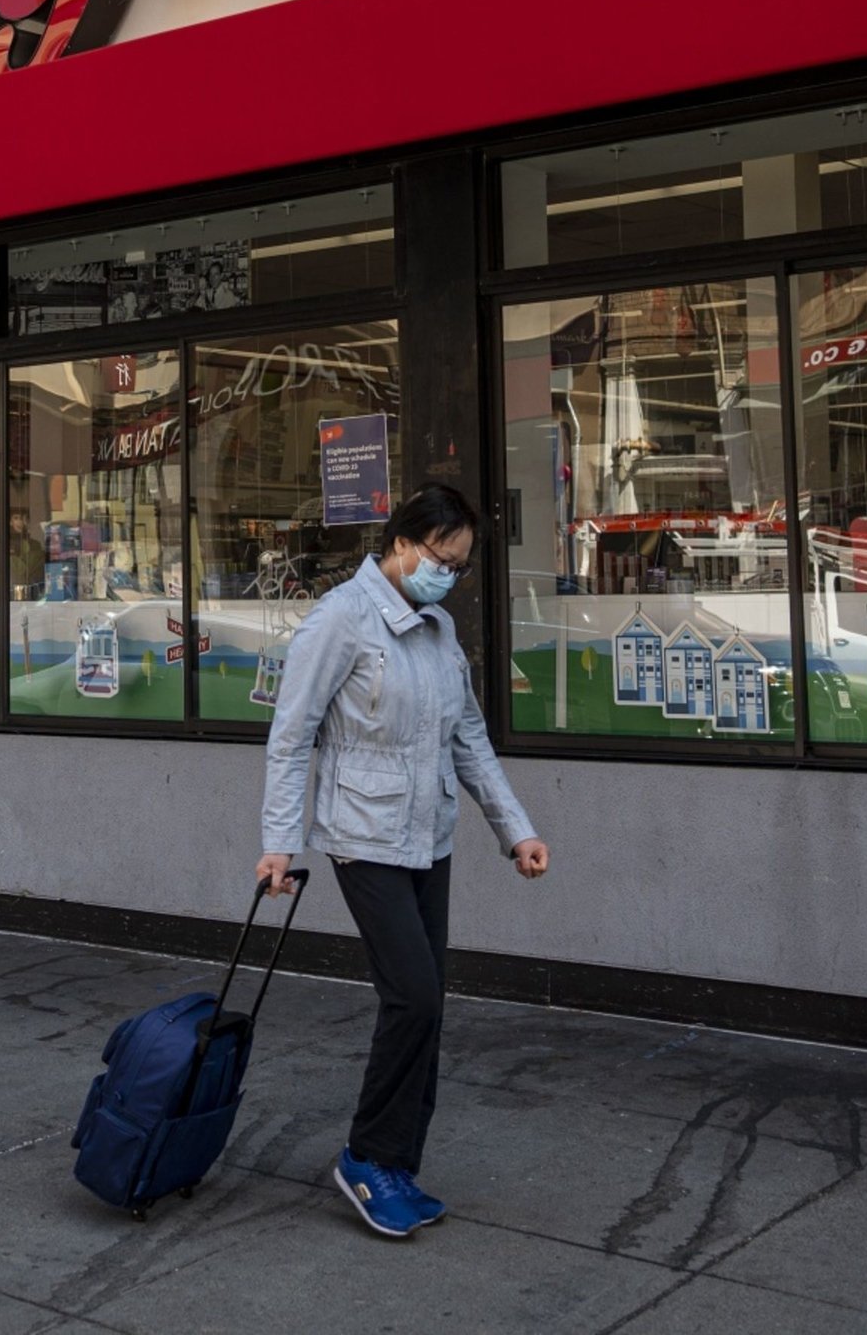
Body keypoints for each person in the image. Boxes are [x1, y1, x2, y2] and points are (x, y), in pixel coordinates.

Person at [257, 483, 549, 1240]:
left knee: (428, 1004)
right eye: (441, 559)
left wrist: (515, 830)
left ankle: (396, 1164)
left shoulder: (438, 629)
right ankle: (365, 1158)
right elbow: (292, 735)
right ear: (402, 544)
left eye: (460, 566)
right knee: (412, 997)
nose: (449, 575)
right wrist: (279, 843)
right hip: (363, 837)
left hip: (430, 836)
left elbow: (469, 738)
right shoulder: (341, 619)